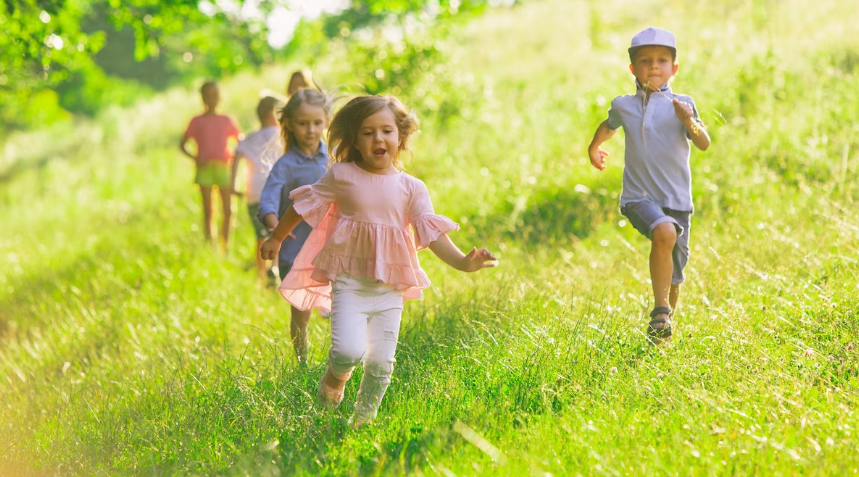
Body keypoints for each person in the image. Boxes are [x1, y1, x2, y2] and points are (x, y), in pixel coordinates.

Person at [259, 95, 497, 426]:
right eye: (368, 132)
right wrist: (276, 237)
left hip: (389, 289)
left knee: (382, 363)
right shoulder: (342, 175)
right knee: (347, 352)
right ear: (354, 140)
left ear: (400, 137)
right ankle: (332, 387)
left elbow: (430, 232)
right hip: (349, 283)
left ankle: (362, 421)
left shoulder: (412, 188)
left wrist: (462, 262)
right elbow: (301, 206)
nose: (378, 139)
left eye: (386, 131)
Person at [587, 27, 710, 345]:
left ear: (674, 68)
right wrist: (594, 147)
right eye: (645, 61)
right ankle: (659, 310)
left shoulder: (683, 103)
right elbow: (609, 124)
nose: (653, 66)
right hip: (638, 197)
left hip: (677, 200)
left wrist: (689, 121)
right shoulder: (624, 104)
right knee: (664, 232)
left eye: (662, 60)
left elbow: (703, 142)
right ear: (632, 68)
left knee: (675, 276)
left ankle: (662, 331)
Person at [258, 89, 334, 365]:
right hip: (296, 249)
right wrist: (273, 224)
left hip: (333, 248)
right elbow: (268, 197)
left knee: (343, 305)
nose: (311, 130)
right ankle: (302, 364)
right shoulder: (285, 165)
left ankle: (338, 364)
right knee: (301, 314)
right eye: (303, 124)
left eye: (317, 123)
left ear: (326, 121)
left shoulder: (335, 158)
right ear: (289, 123)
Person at [180, 81, 243, 252]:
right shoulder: (197, 121)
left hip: (223, 167)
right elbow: (183, 144)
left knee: (228, 209)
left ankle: (226, 246)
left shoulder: (226, 120)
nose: (211, 99)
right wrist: (195, 158)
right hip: (205, 169)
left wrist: (233, 155)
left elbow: (240, 141)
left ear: (219, 97)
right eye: (207, 95)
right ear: (202, 98)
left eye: (214, 94)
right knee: (209, 209)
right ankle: (210, 245)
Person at [230, 96, 284, 282]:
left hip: (253, 193)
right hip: (277, 192)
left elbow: (235, 160)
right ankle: (275, 268)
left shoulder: (250, 138)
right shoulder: (282, 135)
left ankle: (261, 275)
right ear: (272, 115)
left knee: (260, 235)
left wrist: (233, 186)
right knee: (277, 232)